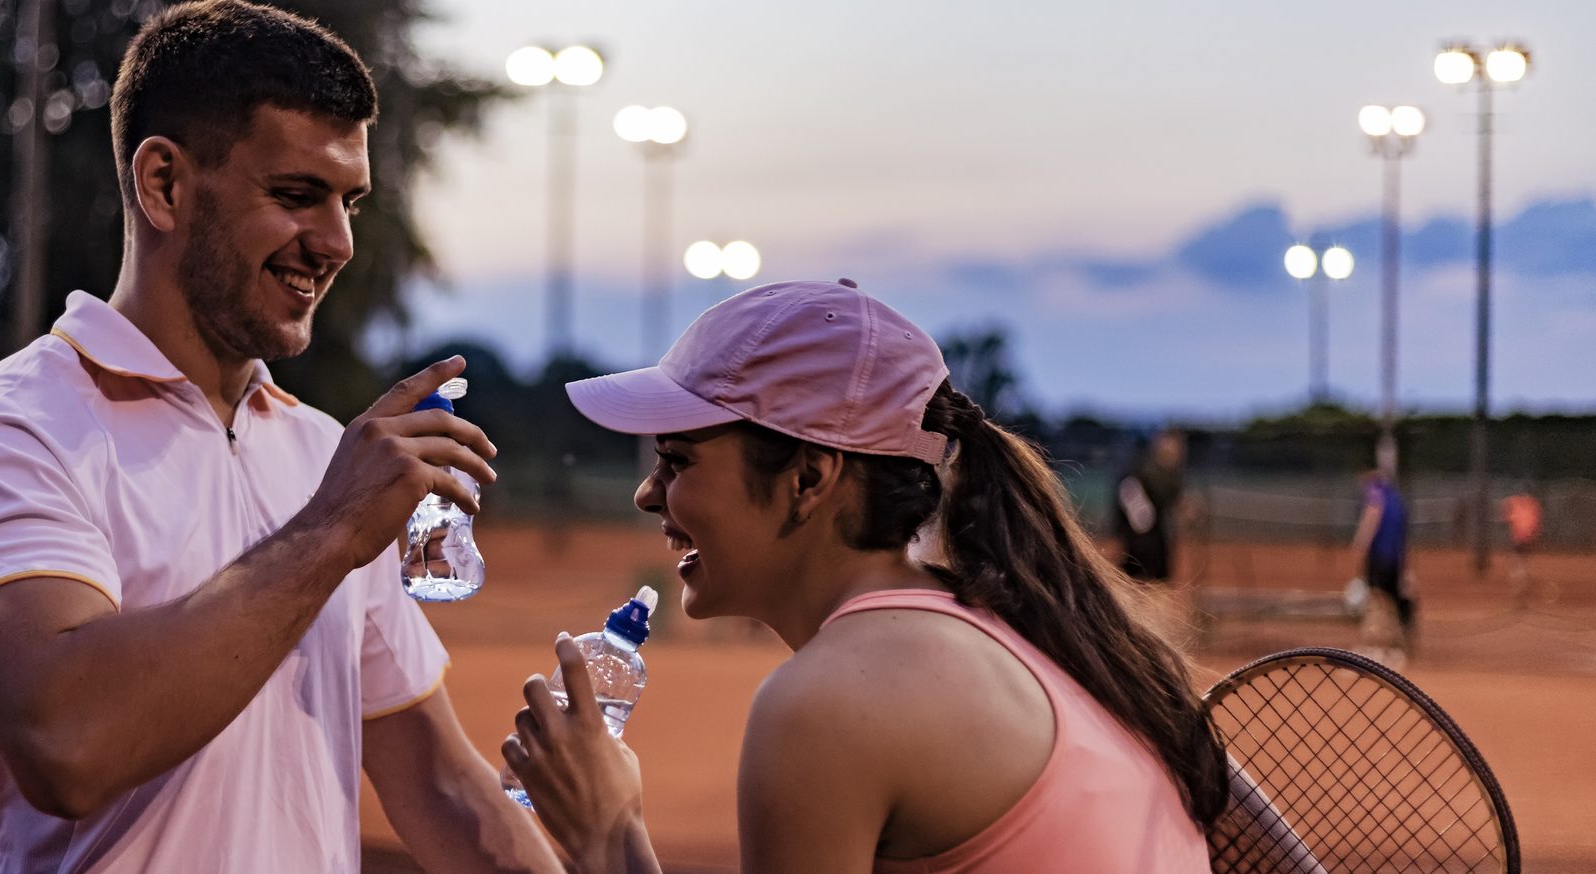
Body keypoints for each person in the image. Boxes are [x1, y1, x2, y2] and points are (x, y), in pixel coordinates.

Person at [0, 3, 558, 871]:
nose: (333, 242)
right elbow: (67, 741)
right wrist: (328, 532)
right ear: (165, 184)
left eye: (349, 201)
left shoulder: (322, 455)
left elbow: (440, 785)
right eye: (296, 195)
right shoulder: (11, 430)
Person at [501, 279, 1227, 873]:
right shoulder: (1030, 628)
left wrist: (605, 841)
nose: (647, 492)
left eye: (679, 459)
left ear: (809, 478)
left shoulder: (826, 705)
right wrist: (618, 829)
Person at [1349, 466, 1414, 650]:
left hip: (1380, 556)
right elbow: (1404, 536)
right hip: (1396, 558)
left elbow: (1372, 517)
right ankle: (1397, 639)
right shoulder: (1396, 498)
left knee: (1376, 598)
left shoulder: (1375, 493)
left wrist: (1360, 543)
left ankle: (1375, 641)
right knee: (1393, 598)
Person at [1112, 429, 1188, 583]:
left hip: (1148, 536)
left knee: (1144, 576)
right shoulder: (1151, 472)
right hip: (1145, 538)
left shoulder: (1161, 472)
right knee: (1145, 578)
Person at [1502, 489, 1547, 606]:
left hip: (1519, 540)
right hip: (1527, 540)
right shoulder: (1532, 506)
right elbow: (1535, 526)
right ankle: (1522, 586)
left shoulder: (1519, 505)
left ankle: (1520, 588)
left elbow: (1509, 517)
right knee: (1522, 563)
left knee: (1517, 564)